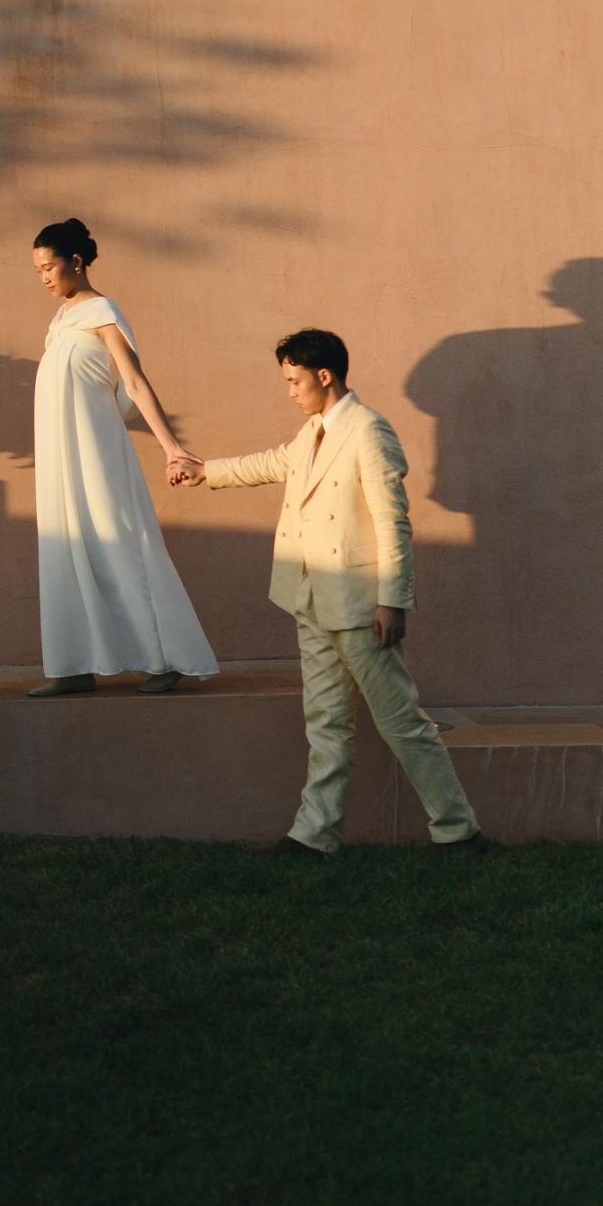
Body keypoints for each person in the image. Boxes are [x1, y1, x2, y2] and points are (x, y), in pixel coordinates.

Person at [171, 328, 484, 855]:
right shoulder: (312, 431)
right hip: (310, 598)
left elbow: (393, 522)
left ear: (324, 375)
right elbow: (273, 462)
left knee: (402, 722)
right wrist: (207, 472)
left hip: (361, 606)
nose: (289, 391)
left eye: (294, 381)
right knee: (325, 722)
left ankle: (458, 830)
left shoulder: (368, 430)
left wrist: (392, 600)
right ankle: (315, 834)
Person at [29, 218, 218, 697]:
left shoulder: (101, 310)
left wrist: (171, 447)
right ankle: (74, 665)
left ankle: (161, 660)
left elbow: (134, 382)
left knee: (118, 544)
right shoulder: (60, 323)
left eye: (50, 267)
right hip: (61, 461)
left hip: (98, 458)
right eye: (38, 270)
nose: (45, 277)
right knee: (63, 548)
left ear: (76, 261)